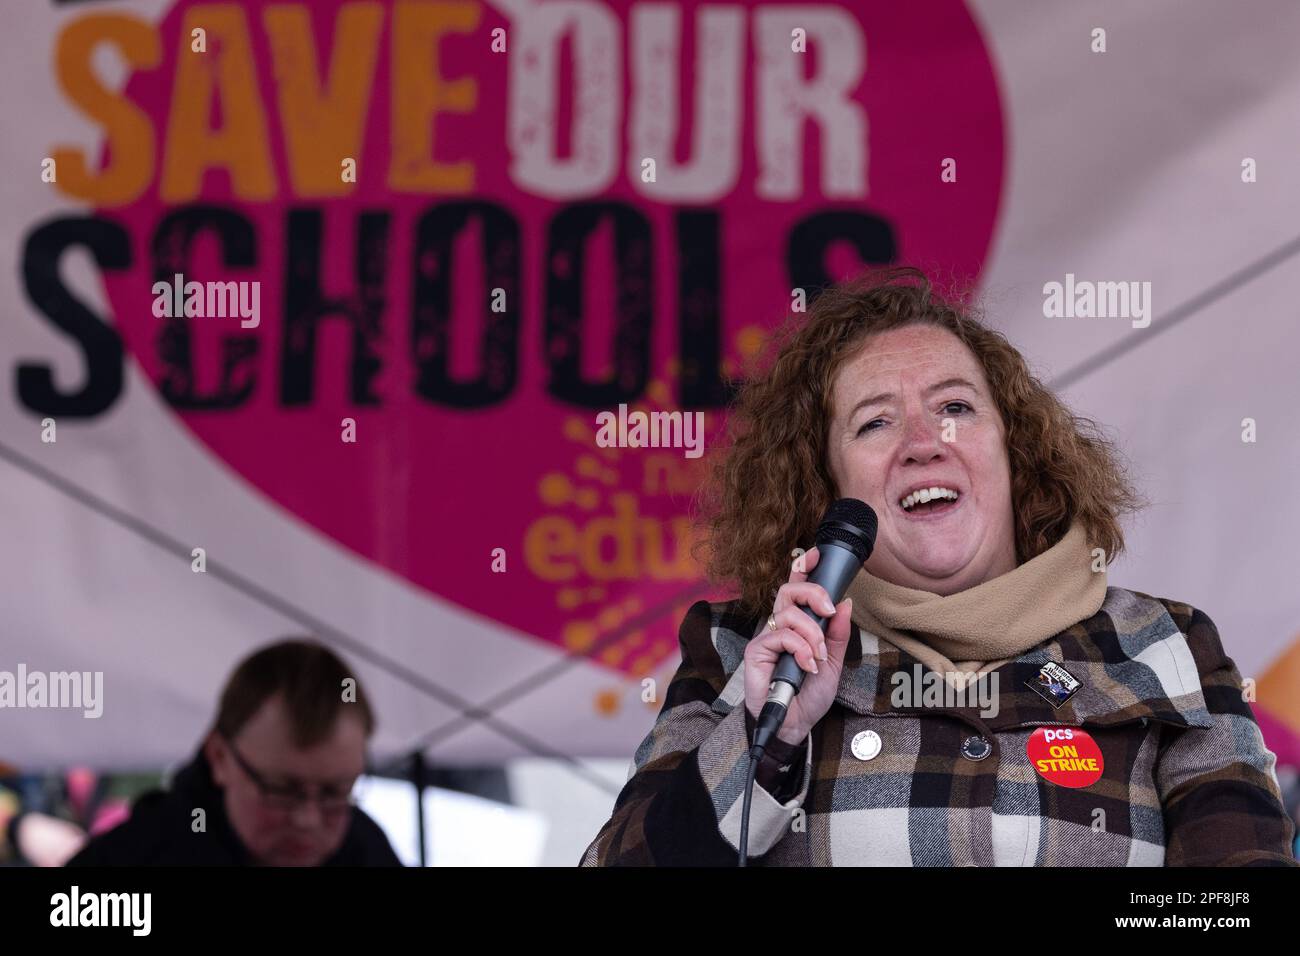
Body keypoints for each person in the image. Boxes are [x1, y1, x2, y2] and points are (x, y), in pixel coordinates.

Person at [581, 266, 1297, 866]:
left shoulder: (1164, 644)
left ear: (1015, 454)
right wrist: (769, 737)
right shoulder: (745, 647)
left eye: (955, 406)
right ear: (824, 486)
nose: (925, 442)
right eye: (875, 422)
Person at [67, 640, 401, 866]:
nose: (307, 819)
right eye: (282, 790)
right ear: (219, 758)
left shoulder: (367, 850)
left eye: (335, 792)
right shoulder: (127, 863)